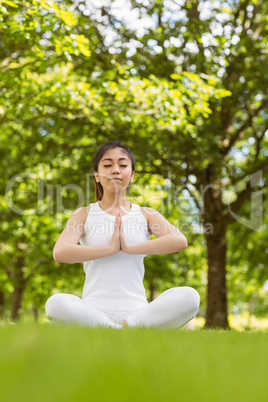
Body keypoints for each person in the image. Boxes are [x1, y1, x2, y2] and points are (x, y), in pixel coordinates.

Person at [45, 141, 200, 329]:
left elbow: (179, 240)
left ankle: (119, 328)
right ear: (96, 175)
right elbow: (60, 252)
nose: (115, 170)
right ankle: (120, 329)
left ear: (132, 175)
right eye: (108, 165)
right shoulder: (84, 213)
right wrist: (110, 249)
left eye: (123, 165)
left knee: (190, 296)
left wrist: (129, 248)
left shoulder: (145, 214)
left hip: (137, 310)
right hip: (93, 309)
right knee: (55, 303)